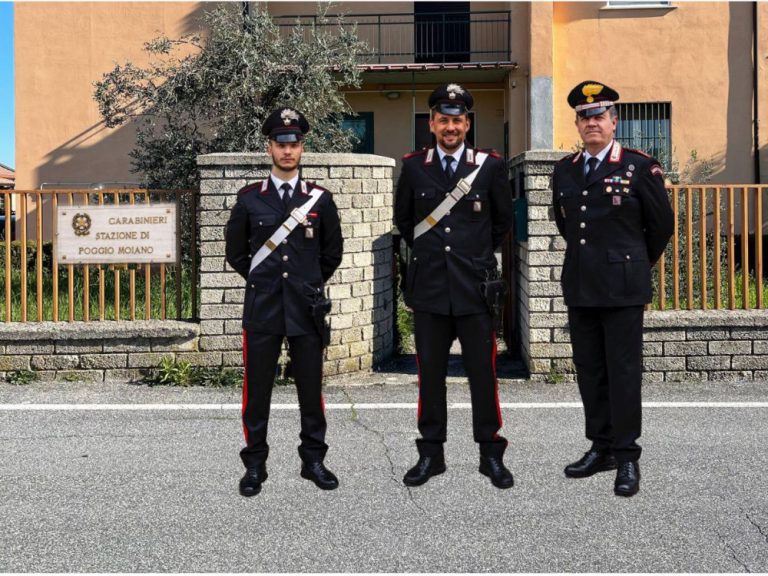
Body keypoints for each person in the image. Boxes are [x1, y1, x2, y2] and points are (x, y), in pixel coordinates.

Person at [552, 81, 674, 497]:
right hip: (582, 286)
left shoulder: (639, 167)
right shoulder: (565, 169)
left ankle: (627, 457)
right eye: (584, 117)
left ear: (614, 121)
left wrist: (632, 265)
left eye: (599, 116)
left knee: (622, 375)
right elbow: (564, 224)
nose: (591, 123)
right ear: (577, 123)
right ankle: (600, 447)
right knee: (590, 372)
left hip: (623, 289)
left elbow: (660, 228)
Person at [394, 83, 515, 489]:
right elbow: (406, 223)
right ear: (431, 123)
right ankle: (431, 455)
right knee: (430, 376)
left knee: (484, 375)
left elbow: (501, 224)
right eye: (442, 120)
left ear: (467, 123)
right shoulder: (413, 167)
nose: (450, 127)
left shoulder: (490, 166)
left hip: (475, 290)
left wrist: (472, 256)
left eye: (457, 120)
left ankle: (490, 454)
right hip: (429, 291)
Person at [225, 107, 343, 497]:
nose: (287, 151)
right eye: (281, 144)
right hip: (263, 308)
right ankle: (255, 465)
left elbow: (331, 255)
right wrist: (265, 283)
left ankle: (313, 461)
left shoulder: (320, 200)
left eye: (294, 144)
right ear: (269, 147)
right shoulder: (249, 199)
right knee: (257, 392)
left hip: (307, 309)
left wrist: (307, 285)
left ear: (302, 148)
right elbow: (237, 254)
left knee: (311, 389)